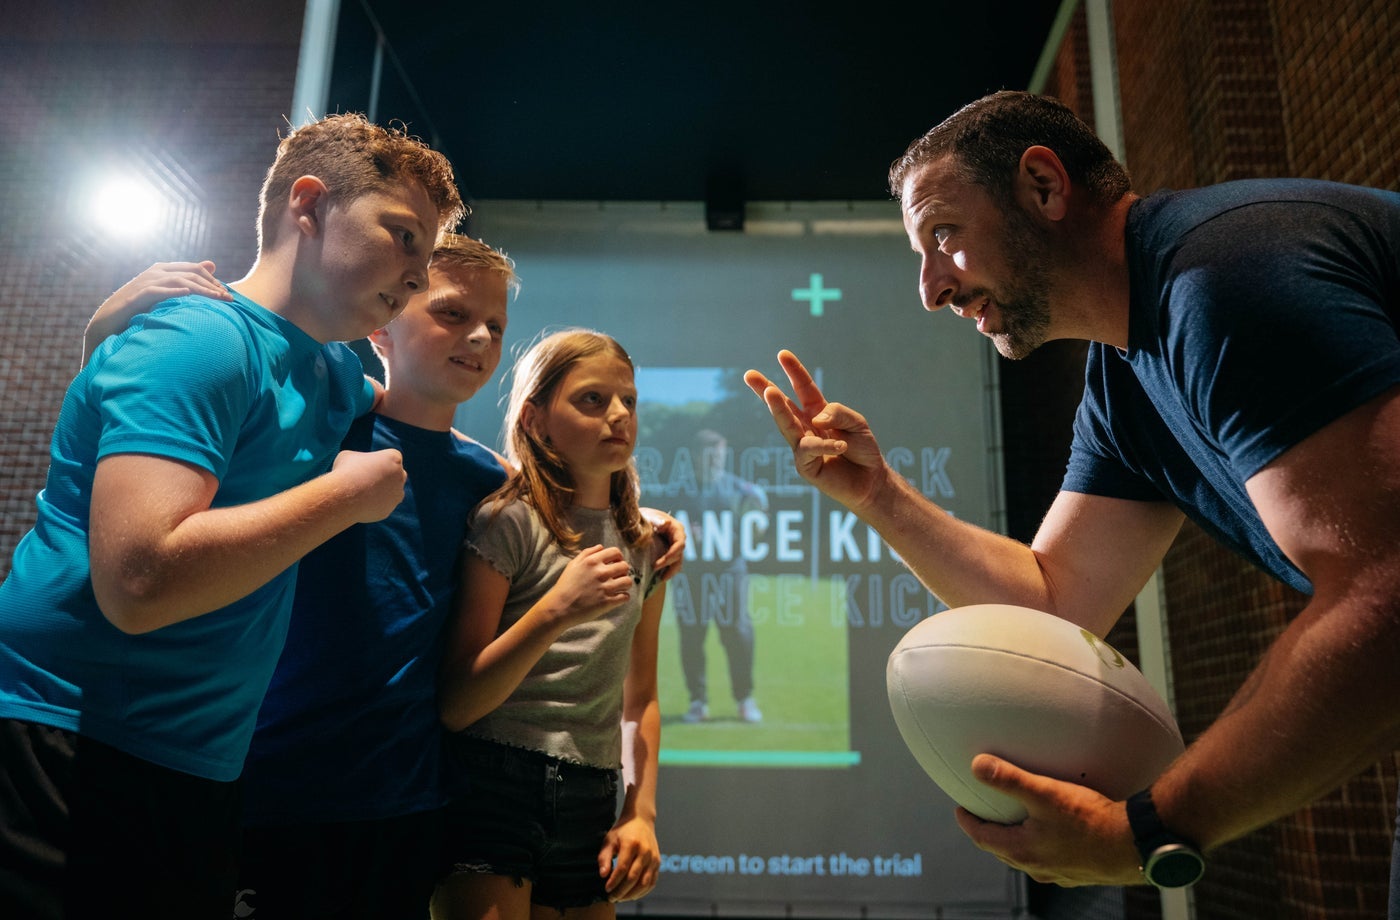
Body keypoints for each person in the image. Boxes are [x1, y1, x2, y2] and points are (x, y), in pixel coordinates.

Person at [744, 90, 1400, 899]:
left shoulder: (1225, 281)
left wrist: (1148, 830)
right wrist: (880, 495)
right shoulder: (1127, 381)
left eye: (943, 235)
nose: (930, 290)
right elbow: (1053, 607)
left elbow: (1385, 595)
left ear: (1044, 188)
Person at [0, 112, 463, 920]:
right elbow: (139, 581)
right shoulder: (200, 338)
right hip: (64, 740)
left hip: (199, 769)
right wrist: (343, 497)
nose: (418, 277)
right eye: (403, 237)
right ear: (309, 204)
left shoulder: (331, 370)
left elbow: (419, 411)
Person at [434, 329, 667, 919]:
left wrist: (640, 812)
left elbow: (641, 700)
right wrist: (557, 609)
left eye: (629, 401)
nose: (618, 416)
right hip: (494, 788)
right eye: (592, 400)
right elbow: (458, 702)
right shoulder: (507, 522)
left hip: (594, 796)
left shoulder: (646, 546)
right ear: (536, 421)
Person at [678, 428, 767, 723]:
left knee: (738, 634)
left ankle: (745, 699)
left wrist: (756, 523)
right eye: (710, 453)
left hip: (731, 571)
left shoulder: (740, 490)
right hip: (692, 575)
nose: (716, 459)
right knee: (692, 635)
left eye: (720, 453)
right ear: (696, 455)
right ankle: (697, 702)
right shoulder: (682, 492)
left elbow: (759, 524)